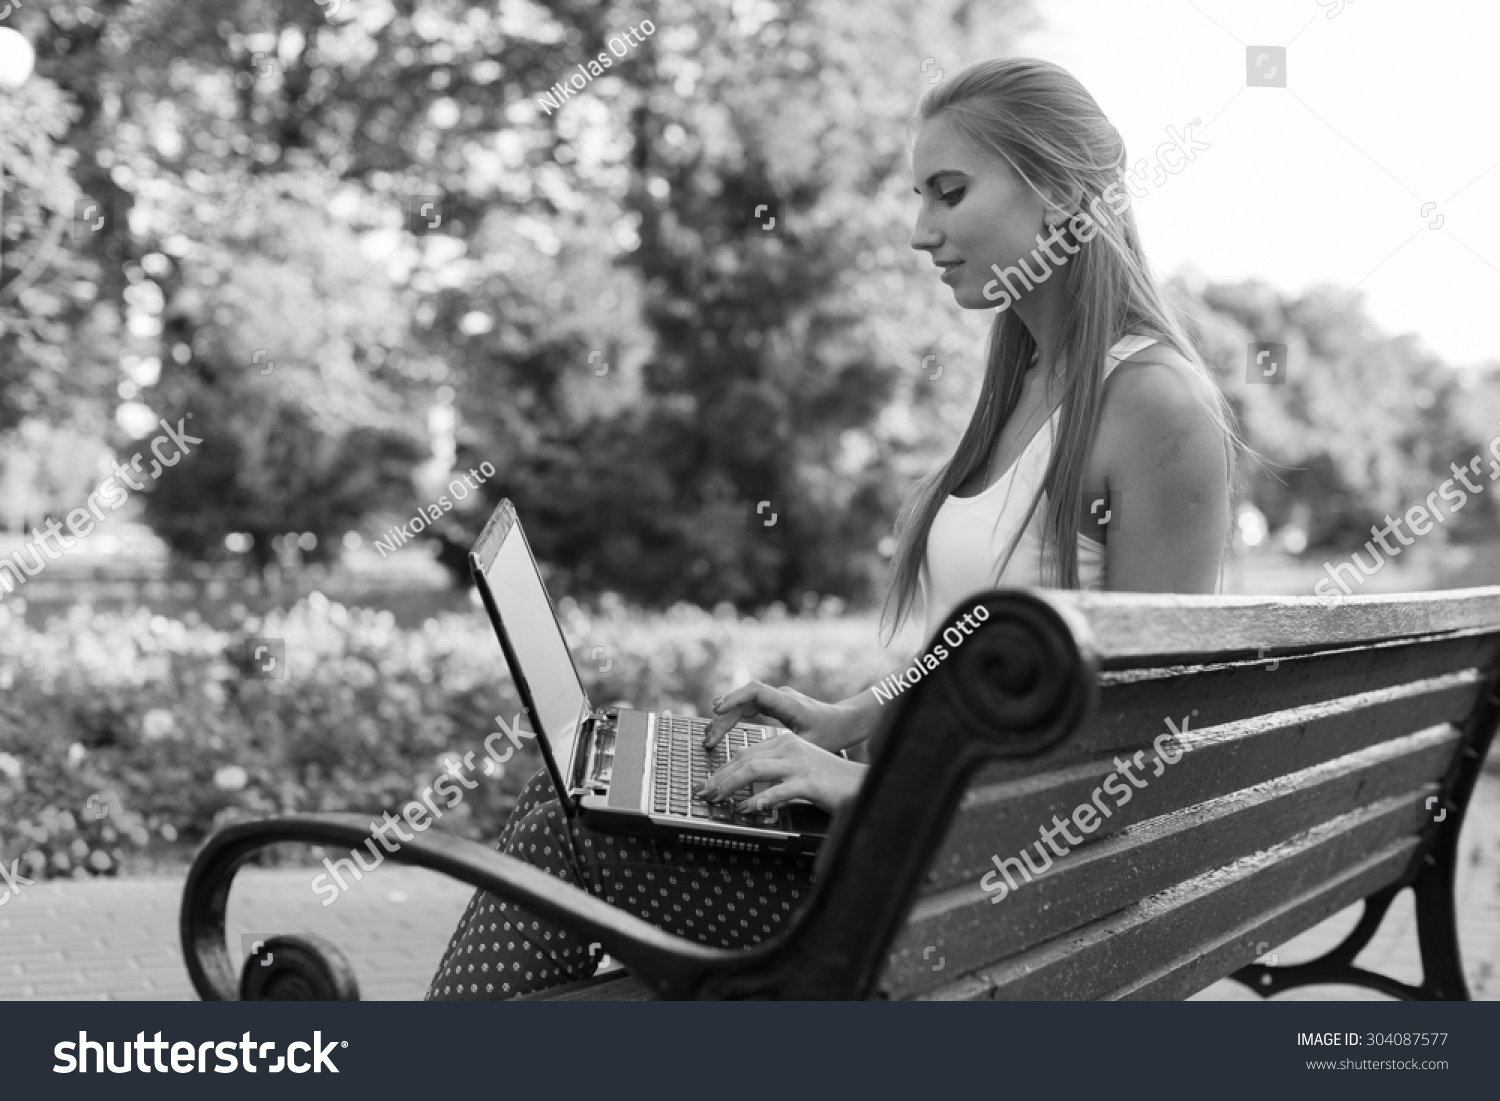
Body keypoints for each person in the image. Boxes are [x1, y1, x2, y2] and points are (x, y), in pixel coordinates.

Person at [425, 56, 1244, 1000]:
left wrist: (864, 788)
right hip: (938, 869)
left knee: (570, 825)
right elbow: (1001, 653)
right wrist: (860, 717)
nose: (919, 231)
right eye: (917, 197)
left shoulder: (1150, 403)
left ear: (1060, 193)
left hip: (1004, 915)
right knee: (584, 794)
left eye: (949, 193)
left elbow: (1150, 737)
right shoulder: (1028, 381)